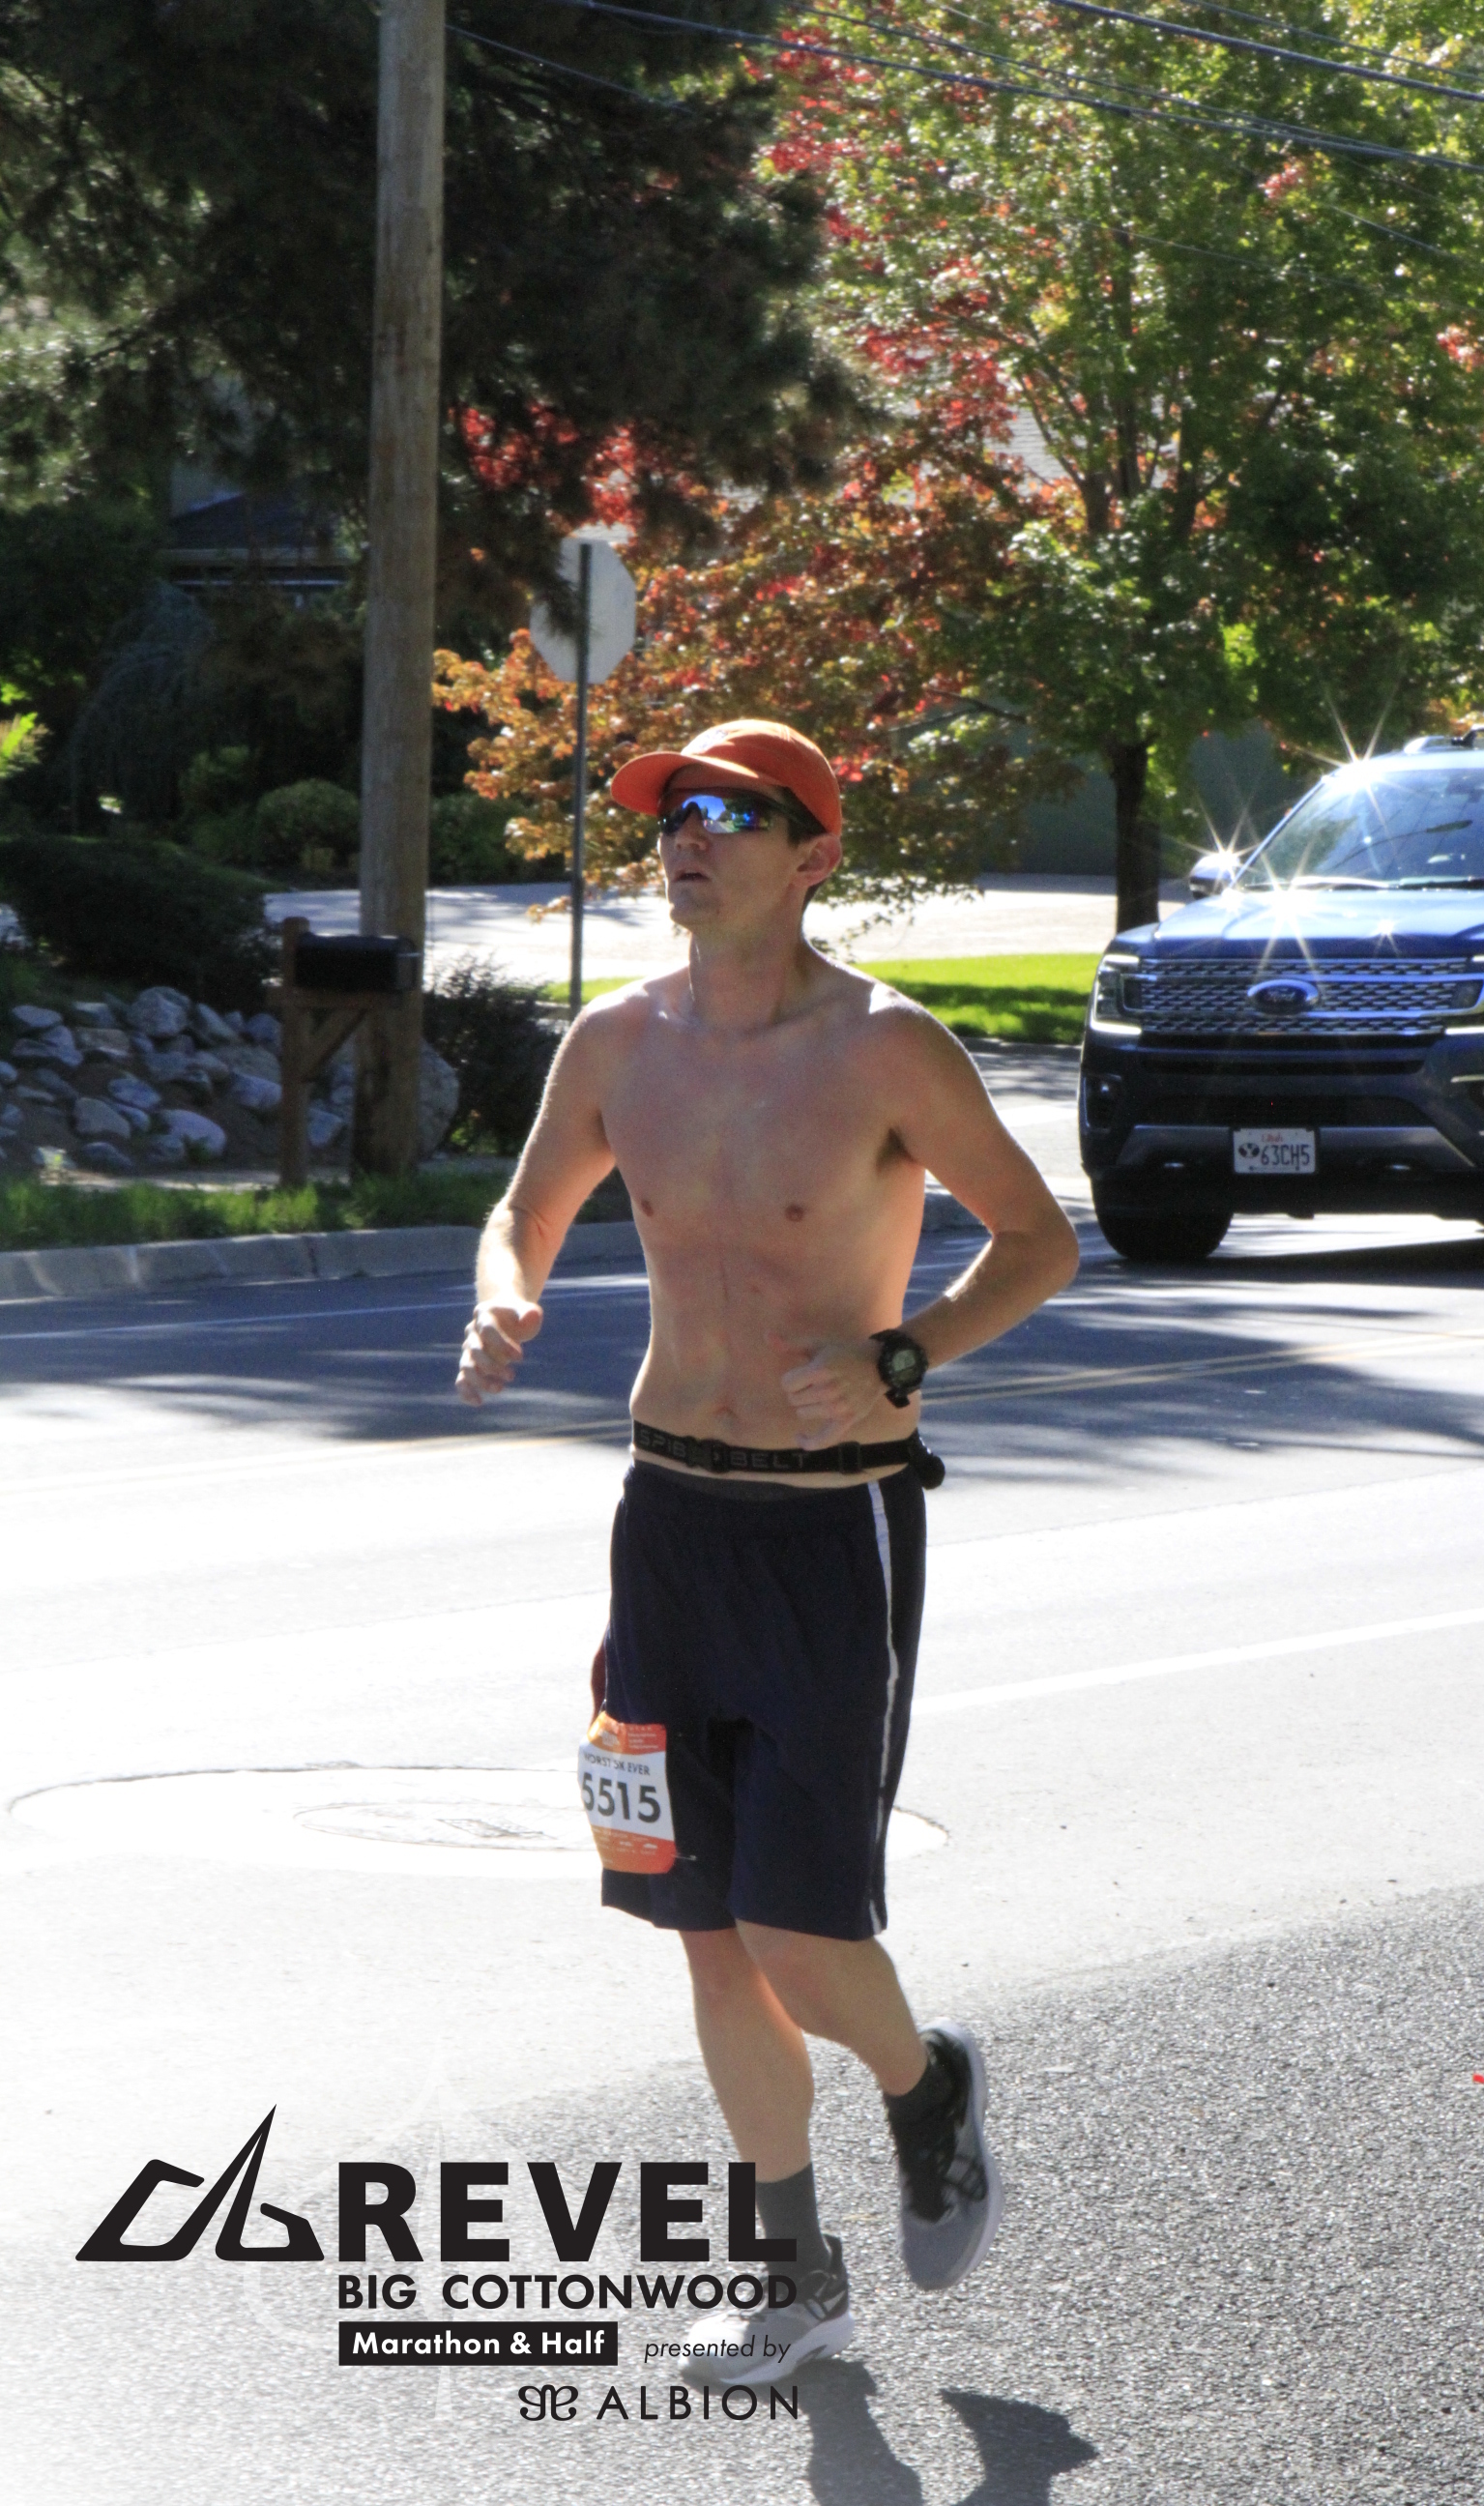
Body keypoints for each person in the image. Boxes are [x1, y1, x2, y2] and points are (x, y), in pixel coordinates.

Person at [456, 719, 1079, 2381]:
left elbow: (1038, 1242)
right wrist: (505, 1291)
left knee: (801, 1933)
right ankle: (794, 2282)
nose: (688, 835)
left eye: (733, 813)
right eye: (674, 811)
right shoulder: (616, 1040)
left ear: (814, 857)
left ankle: (927, 2087)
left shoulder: (885, 1048)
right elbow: (525, 1210)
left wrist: (908, 1352)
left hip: (828, 1531)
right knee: (708, 1933)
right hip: (667, 1523)